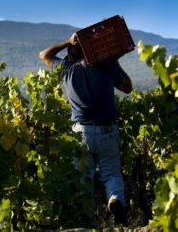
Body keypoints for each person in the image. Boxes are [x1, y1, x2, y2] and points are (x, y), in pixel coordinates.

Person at [39, 33, 132, 226]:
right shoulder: (105, 66)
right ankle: (115, 200)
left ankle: (85, 222)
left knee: (83, 180)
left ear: (70, 55)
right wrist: (113, 61)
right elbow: (127, 87)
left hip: (81, 132)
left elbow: (44, 55)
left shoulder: (66, 69)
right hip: (107, 131)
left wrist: (66, 41)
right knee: (112, 173)